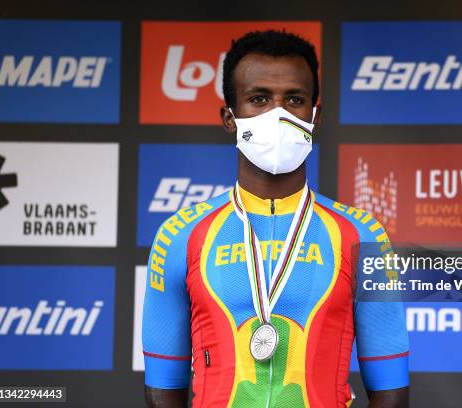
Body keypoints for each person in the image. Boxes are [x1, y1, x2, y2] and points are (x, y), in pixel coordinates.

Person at [142, 30, 409, 408]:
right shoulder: (180, 235)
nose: (278, 114)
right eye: (259, 99)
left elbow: (392, 392)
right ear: (229, 118)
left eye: (295, 100)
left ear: (315, 116)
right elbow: (161, 390)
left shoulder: (362, 234)